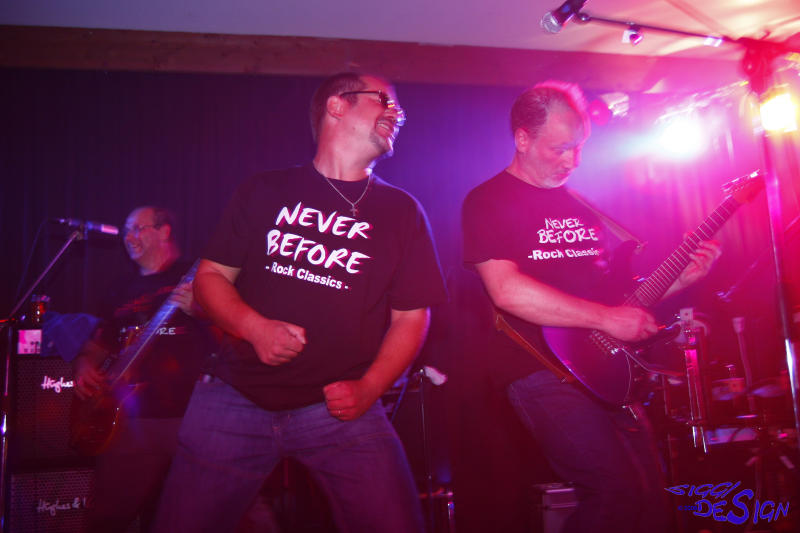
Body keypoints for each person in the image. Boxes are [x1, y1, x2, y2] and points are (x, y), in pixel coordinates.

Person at [153, 72, 447, 533]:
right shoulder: (265, 190)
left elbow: (412, 317)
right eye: (384, 101)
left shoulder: (403, 212)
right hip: (235, 397)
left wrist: (370, 388)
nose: (397, 114)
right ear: (337, 105)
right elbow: (210, 278)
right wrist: (255, 329)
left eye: (399, 108)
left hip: (339, 406)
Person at [461, 81, 721, 532]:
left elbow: (618, 301)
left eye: (579, 147)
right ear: (522, 139)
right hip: (540, 369)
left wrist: (680, 281)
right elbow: (507, 291)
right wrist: (607, 318)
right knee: (614, 493)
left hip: (607, 370)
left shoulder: (582, 207)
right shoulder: (488, 200)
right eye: (560, 148)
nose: (572, 161)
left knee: (651, 503)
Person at [73, 206, 213, 532]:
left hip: (190, 419)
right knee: (106, 517)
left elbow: (229, 333)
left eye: (138, 228)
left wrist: (200, 310)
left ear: (164, 231)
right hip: (130, 422)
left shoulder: (195, 276)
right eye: (126, 231)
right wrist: (83, 364)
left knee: (208, 514)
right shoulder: (119, 290)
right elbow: (97, 345)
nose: (128, 237)